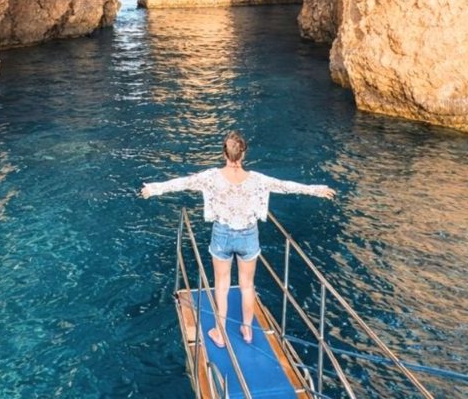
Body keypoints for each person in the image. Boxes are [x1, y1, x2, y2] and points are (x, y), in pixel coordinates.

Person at [141, 130, 335, 348]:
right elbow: (286, 186)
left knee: (221, 286)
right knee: (247, 285)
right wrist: (317, 190)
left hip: (222, 235)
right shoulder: (258, 180)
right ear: (244, 154)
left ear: (224, 153)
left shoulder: (211, 177)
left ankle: (220, 332)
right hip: (248, 236)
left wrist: (154, 189)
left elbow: (182, 183)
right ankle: (247, 329)